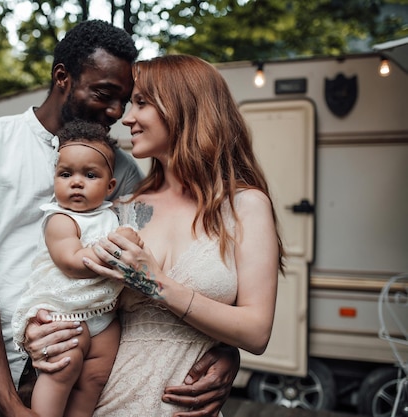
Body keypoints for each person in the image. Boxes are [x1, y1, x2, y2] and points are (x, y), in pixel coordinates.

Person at [0, 19, 239, 417]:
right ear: (63, 77)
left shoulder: (126, 173)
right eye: (103, 94)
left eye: (126, 100)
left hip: (86, 382)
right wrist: (10, 403)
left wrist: (224, 350)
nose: (116, 112)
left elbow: (151, 278)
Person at [78, 54, 286, 416]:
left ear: (184, 107)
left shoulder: (245, 207)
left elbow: (256, 333)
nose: (127, 118)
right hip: (111, 404)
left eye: (141, 103)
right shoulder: (120, 209)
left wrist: (157, 284)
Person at [12, 120, 142, 417]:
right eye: (66, 174)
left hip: (104, 316)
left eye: (90, 174)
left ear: (110, 186)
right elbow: (73, 262)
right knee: (60, 372)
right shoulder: (59, 219)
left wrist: (129, 240)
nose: (76, 182)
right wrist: (116, 249)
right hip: (63, 313)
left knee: (94, 380)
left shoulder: (112, 217)